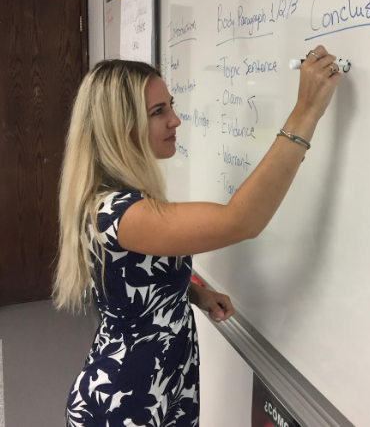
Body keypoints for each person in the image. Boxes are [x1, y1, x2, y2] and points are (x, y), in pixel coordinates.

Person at [53, 45, 341, 426]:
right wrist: (306, 111)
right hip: (129, 403)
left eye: (169, 105)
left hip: (162, 382)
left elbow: (133, 275)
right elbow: (242, 221)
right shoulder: (122, 211)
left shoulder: (117, 196)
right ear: (120, 128)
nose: (176, 120)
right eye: (158, 112)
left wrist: (193, 292)